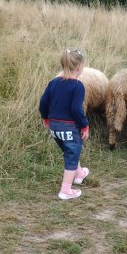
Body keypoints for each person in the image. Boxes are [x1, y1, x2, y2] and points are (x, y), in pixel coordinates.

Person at [39, 48, 91, 200]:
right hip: (69, 127)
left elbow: (43, 102)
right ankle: (66, 190)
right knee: (71, 155)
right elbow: (76, 109)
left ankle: (79, 173)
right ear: (79, 67)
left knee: (70, 151)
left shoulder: (53, 83)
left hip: (54, 127)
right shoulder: (77, 86)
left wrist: (45, 117)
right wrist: (84, 125)